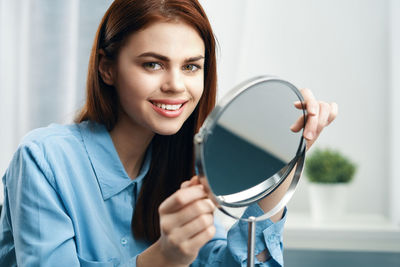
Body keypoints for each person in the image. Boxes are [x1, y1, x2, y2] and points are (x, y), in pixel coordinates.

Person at [0, 0, 338, 266]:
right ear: (107, 68)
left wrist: (282, 170)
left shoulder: (190, 164)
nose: (176, 85)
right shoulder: (45, 160)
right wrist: (162, 260)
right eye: (153, 64)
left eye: (191, 66)